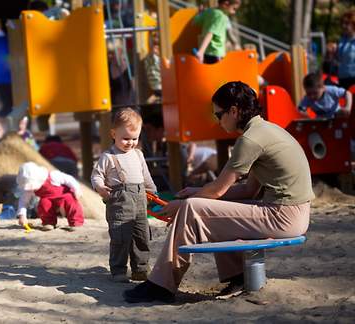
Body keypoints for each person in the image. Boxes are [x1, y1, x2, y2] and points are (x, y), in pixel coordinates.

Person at [123, 81, 314, 304]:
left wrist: (182, 203)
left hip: (284, 216)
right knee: (207, 207)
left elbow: (217, 190)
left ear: (234, 111)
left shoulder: (250, 139)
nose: (217, 121)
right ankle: (237, 275)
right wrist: (196, 191)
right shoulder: (265, 130)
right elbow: (249, 190)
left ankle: (161, 285)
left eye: (219, 115)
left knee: (195, 207)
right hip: (292, 213)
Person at [91, 107, 157, 283]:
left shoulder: (138, 154)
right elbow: (96, 175)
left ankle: (140, 269)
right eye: (126, 138)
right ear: (113, 134)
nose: (130, 142)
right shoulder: (108, 156)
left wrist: (152, 191)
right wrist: (100, 187)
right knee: (121, 236)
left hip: (140, 199)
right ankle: (119, 270)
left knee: (141, 235)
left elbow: (146, 176)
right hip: (120, 202)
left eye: (135, 138)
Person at [15, 162, 84, 231]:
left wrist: (77, 189)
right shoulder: (30, 189)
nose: (31, 188)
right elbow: (23, 201)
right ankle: (48, 222)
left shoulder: (53, 176)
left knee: (70, 201)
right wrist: (22, 215)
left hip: (64, 195)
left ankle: (76, 222)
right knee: (43, 204)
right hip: (48, 200)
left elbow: (69, 179)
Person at [337, 10, 355, 90]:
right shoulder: (342, 40)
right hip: (342, 79)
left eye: (347, 23)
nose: (344, 26)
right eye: (342, 23)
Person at [144, 32, 162, 102]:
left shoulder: (160, 58)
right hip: (157, 88)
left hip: (161, 88)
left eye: (157, 45)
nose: (155, 47)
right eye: (154, 45)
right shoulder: (151, 57)